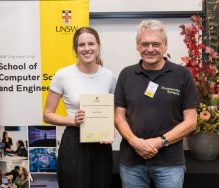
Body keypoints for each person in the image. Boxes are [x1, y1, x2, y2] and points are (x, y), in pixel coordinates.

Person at [114, 19, 199, 188]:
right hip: (132, 163)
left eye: (156, 44)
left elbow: (191, 121)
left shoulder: (182, 75)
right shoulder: (126, 74)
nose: (150, 49)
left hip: (170, 164)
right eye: (145, 44)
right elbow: (118, 117)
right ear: (137, 45)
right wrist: (135, 142)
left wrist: (159, 142)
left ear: (165, 45)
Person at [43, 27, 116, 188]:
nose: (87, 48)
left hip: (101, 145)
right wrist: (72, 121)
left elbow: (112, 111)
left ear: (98, 46)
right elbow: (47, 114)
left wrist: (111, 129)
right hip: (74, 142)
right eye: (81, 45)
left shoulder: (109, 76)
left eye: (91, 43)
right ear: (75, 49)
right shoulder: (63, 75)